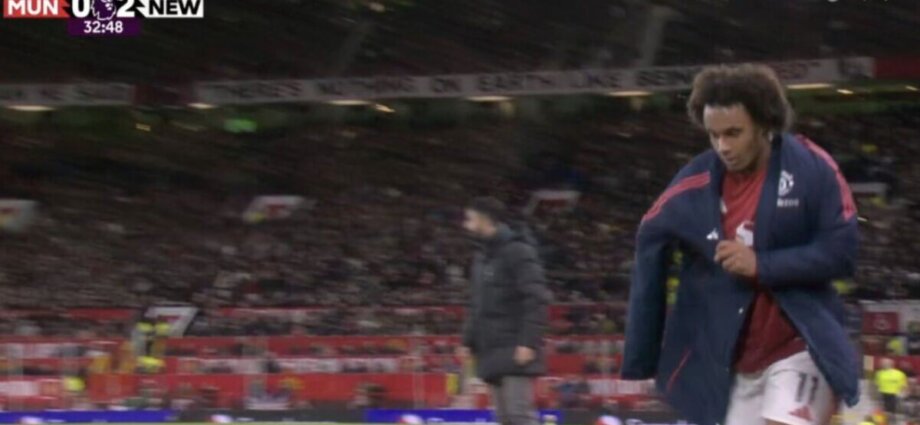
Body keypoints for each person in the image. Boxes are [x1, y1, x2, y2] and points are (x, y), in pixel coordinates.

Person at [622, 64, 860, 425]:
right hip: (734, 365)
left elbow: (841, 253)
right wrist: (641, 354)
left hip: (800, 347)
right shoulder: (694, 182)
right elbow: (649, 238)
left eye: (734, 133)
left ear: (764, 124)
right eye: (714, 135)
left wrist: (762, 265)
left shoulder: (812, 168)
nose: (723, 146)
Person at [459, 197, 550, 425]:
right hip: (490, 349)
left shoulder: (518, 251)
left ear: (484, 219)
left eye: (469, 219)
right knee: (504, 418)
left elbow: (536, 297)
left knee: (520, 416)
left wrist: (528, 342)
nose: (465, 225)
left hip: (514, 346)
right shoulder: (481, 258)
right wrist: (467, 341)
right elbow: (477, 304)